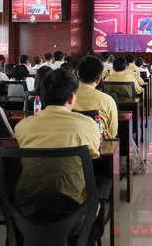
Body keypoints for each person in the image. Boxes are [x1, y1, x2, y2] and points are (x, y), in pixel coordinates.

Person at [14, 68, 100, 208]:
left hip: (30, 204)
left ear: (42, 96)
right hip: (76, 203)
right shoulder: (88, 124)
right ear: (72, 98)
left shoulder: (22, 126)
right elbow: (94, 153)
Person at [74, 55, 118, 139]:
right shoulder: (107, 100)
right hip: (99, 144)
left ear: (78, 74)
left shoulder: (65, 98)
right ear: (99, 79)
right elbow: (112, 133)